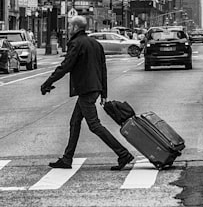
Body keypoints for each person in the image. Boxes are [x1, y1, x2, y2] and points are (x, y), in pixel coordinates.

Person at [40, 15, 135, 171]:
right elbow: (103, 69)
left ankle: (123, 153)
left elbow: (66, 66)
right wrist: (103, 92)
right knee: (75, 122)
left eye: (70, 26)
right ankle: (67, 158)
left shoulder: (77, 43)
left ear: (76, 28)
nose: (68, 29)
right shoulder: (95, 43)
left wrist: (47, 83)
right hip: (94, 88)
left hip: (86, 90)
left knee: (94, 125)